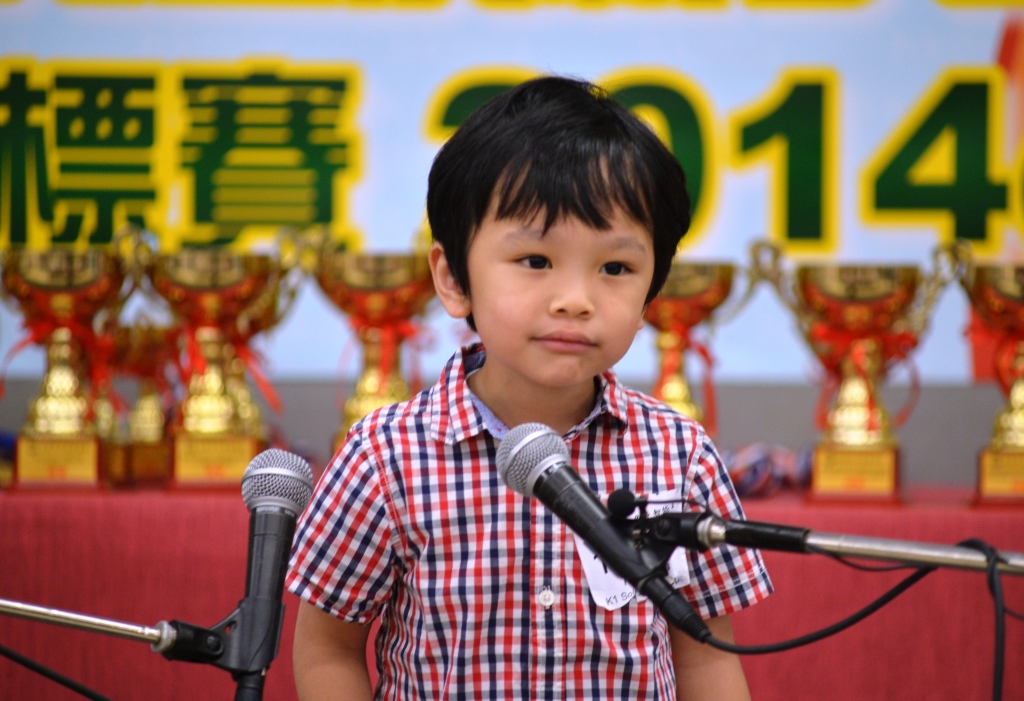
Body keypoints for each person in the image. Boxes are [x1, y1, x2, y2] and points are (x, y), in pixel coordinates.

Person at [286, 75, 772, 700]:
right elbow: (328, 650)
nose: (575, 300)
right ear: (453, 277)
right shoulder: (386, 457)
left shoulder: (678, 454)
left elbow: (707, 661)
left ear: (651, 292)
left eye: (616, 267)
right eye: (536, 261)